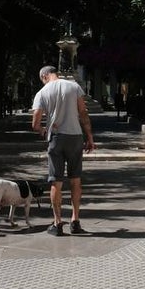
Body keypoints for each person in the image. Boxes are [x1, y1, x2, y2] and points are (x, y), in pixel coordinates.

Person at [31, 65, 95, 235]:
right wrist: (89, 137)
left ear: (44, 76)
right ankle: (75, 220)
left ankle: (57, 223)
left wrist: (44, 130)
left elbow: (35, 123)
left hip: (57, 138)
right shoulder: (74, 87)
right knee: (75, 180)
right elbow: (83, 113)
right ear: (55, 73)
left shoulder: (42, 93)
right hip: (75, 137)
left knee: (56, 182)